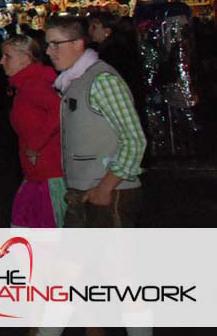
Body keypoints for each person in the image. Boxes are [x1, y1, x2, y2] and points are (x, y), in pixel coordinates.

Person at [37, 17, 150, 336]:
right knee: (66, 276)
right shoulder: (74, 81)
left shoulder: (101, 80)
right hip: (83, 192)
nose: (49, 51)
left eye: (55, 44)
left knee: (123, 278)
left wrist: (106, 187)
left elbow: (135, 139)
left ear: (78, 45)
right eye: (47, 43)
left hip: (112, 194)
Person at [0, 35, 64, 227]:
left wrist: (35, 144)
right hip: (37, 173)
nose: (1, 61)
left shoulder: (35, 83)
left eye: (7, 56)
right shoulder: (25, 84)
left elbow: (59, 110)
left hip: (48, 174)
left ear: (25, 58)